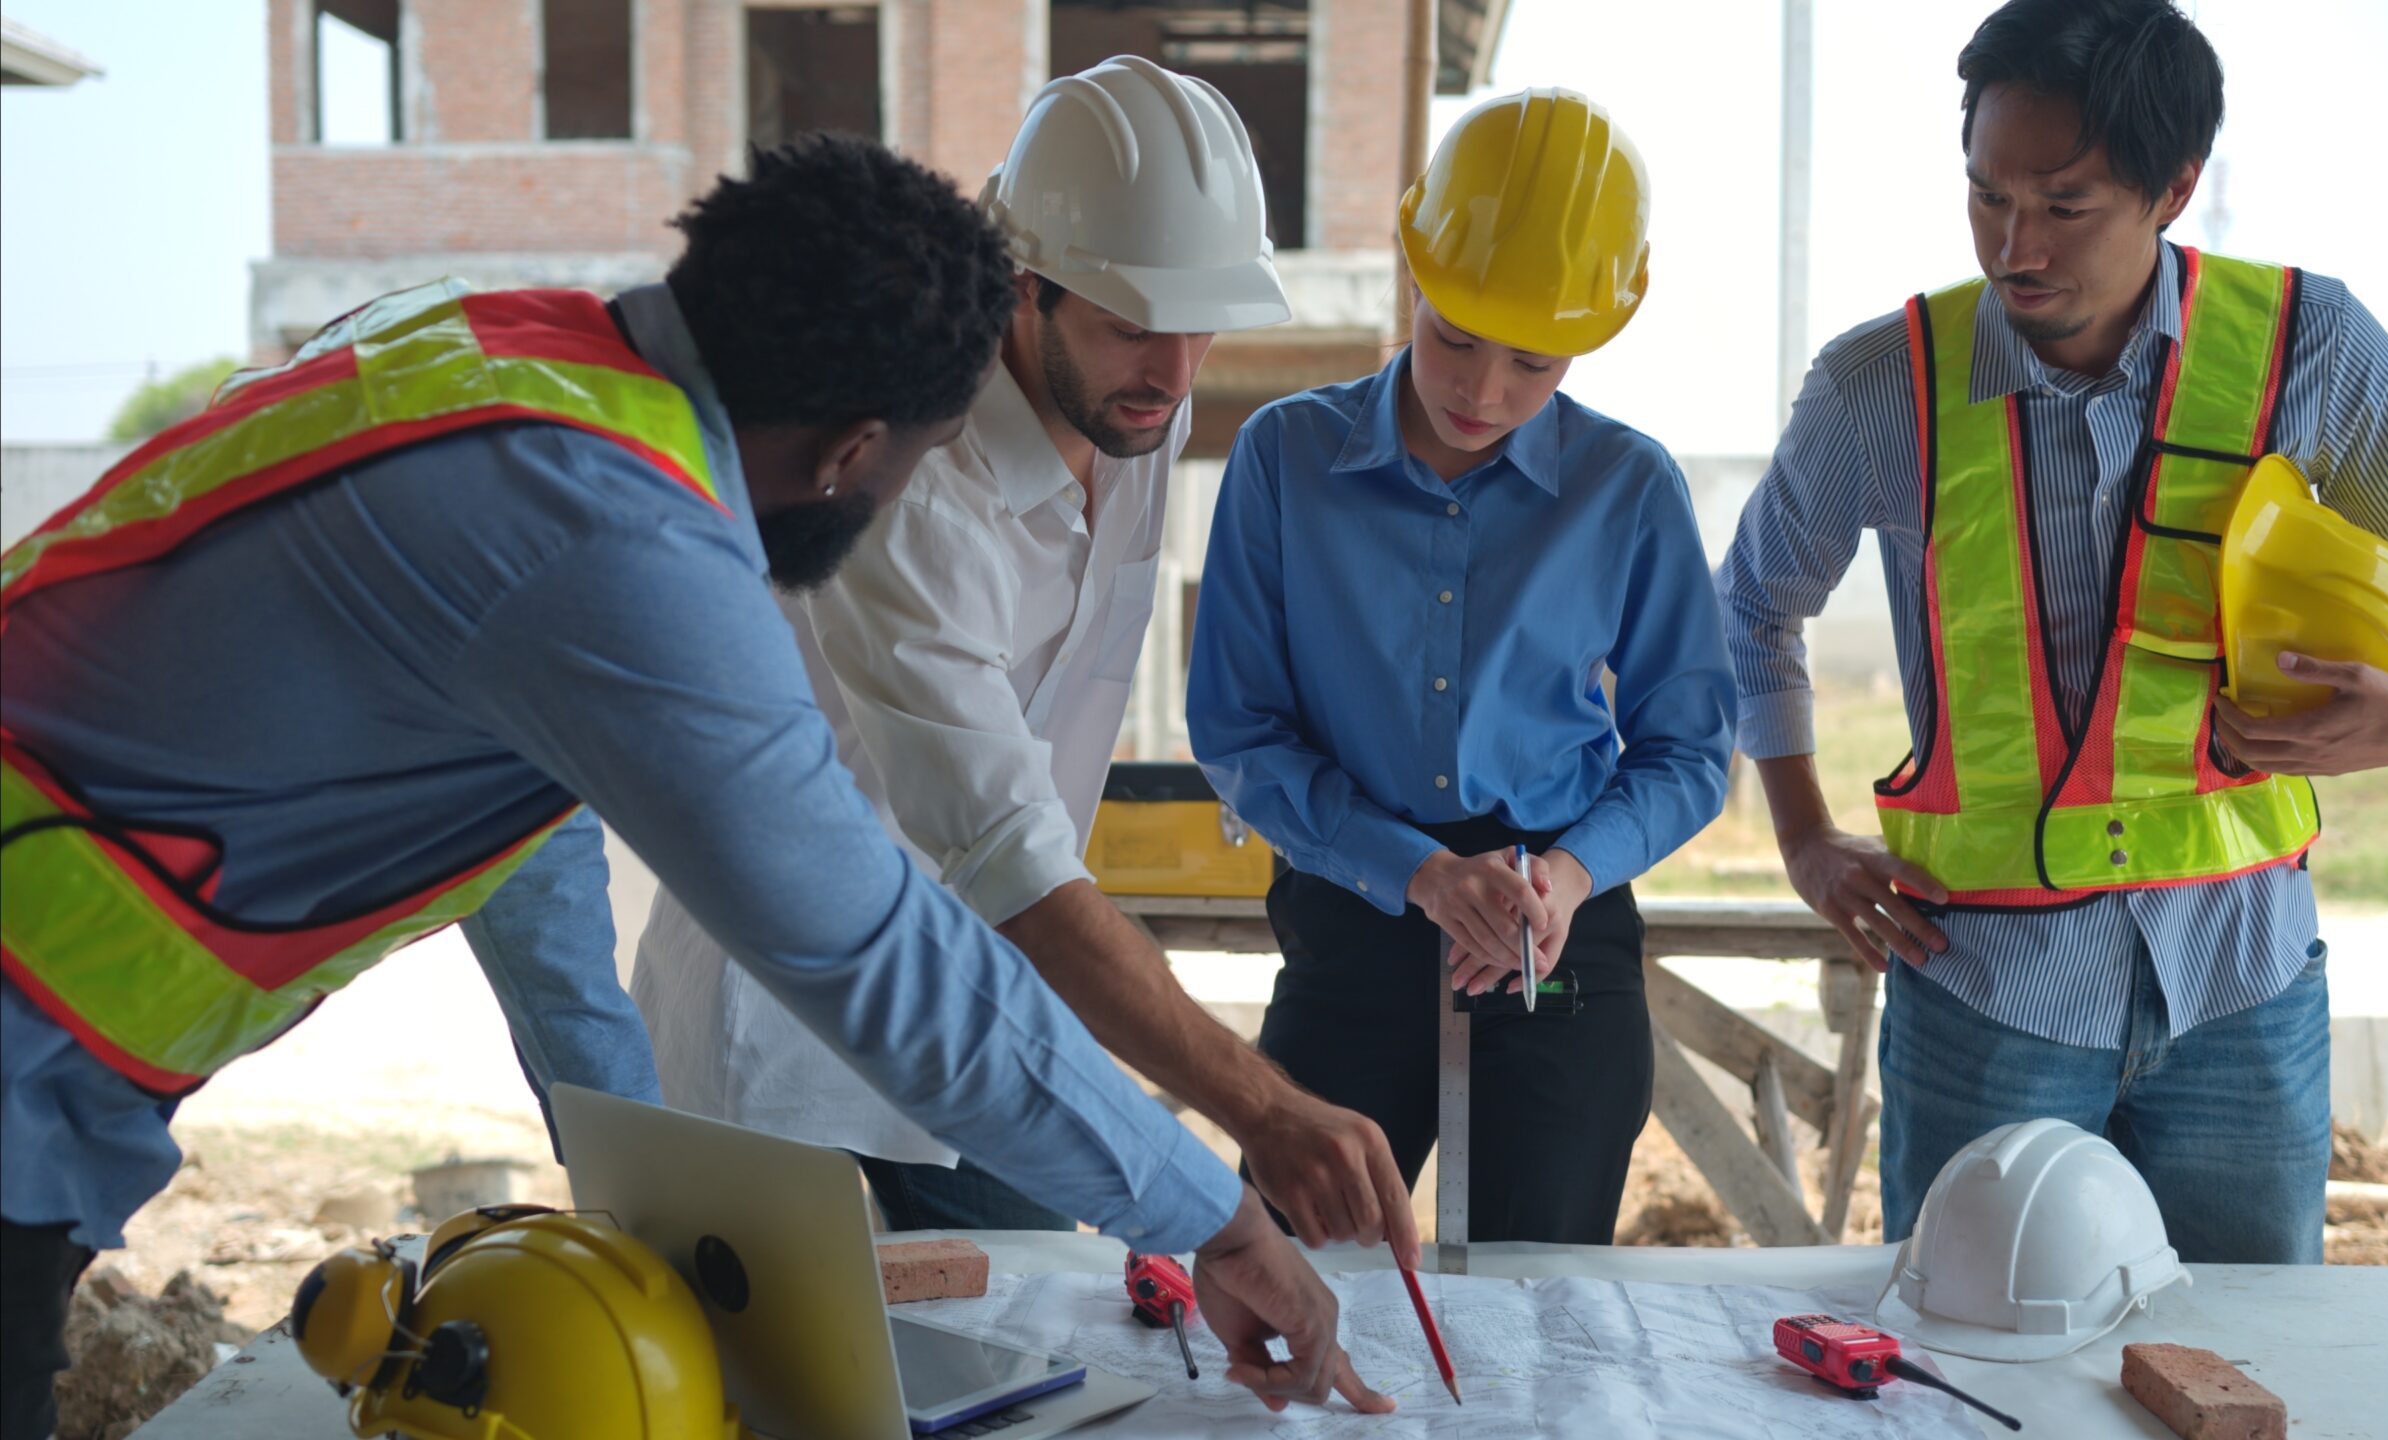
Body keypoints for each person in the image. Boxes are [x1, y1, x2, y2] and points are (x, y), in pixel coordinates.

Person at [0, 134, 1389, 1439]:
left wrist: (631, 1183)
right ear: (855, 451)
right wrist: (1217, 1215)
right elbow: (878, 954)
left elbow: (523, 858)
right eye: (909, 470)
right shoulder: (623, 545)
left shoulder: (509, 363)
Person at [485, 56, 1418, 1262]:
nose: (1176, 376)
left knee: (1054, 1366)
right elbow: (1011, 860)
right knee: (773, 1383)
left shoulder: (1138, 398)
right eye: (1134, 327)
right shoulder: (913, 487)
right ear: (1022, 289)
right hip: (789, 1037)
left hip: (983, 1020)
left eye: (1201, 328)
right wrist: (1263, 1111)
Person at [1716, 0, 2388, 1264]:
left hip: (2244, 987)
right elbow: (1753, 608)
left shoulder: (2306, 349)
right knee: (1971, 1373)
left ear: (2174, 187)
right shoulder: (1881, 385)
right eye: (1986, 196)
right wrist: (1802, 840)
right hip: (1983, 990)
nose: (2014, 244)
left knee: (2245, 1366)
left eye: (2063, 204)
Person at [1185, 88, 1738, 1247]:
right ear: (1416, 277)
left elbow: (1688, 751)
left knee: (1542, 1309)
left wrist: (1571, 878)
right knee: (1292, 1279)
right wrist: (1421, 875)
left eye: (1533, 363)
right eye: (1453, 338)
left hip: (1558, 933)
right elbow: (1240, 731)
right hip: (1353, 921)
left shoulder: (1629, 491)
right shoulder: (1284, 457)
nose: (1482, 392)